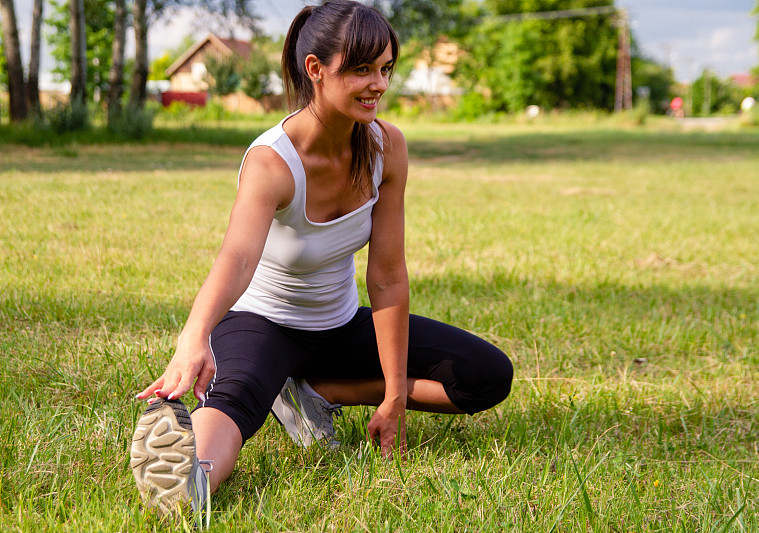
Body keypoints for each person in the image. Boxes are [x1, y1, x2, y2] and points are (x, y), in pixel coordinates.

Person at [130, 0, 513, 516]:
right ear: (316, 70)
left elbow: (388, 278)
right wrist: (194, 337)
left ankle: (315, 393)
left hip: (338, 326)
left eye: (384, 69)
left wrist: (396, 395)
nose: (378, 83)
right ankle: (189, 477)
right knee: (238, 398)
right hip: (262, 322)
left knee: (486, 375)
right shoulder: (273, 161)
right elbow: (238, 257)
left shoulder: (386, 147)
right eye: (361, 70)